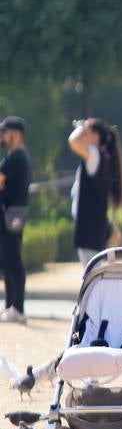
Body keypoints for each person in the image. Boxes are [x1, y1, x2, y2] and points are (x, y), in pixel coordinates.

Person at [68, 118, 122, 265]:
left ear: (95, 136)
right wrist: (85, 128)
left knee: (93, 276)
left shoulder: (95, 155)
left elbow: (73, 141)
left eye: (86, 132)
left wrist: (81, 127)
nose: (82, 135)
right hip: (93, 227)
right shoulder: (99, 157)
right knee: (95, 274)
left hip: (89, 229)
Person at [0, 116, 31, 324]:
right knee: (8, 261)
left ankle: (17, 308)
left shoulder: (16, 157)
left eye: (5, 131)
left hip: (10, 214)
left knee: (13, 261)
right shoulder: (17, 156)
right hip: (13, 213)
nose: (2, 136)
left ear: (16, 134)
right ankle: (12, 306)